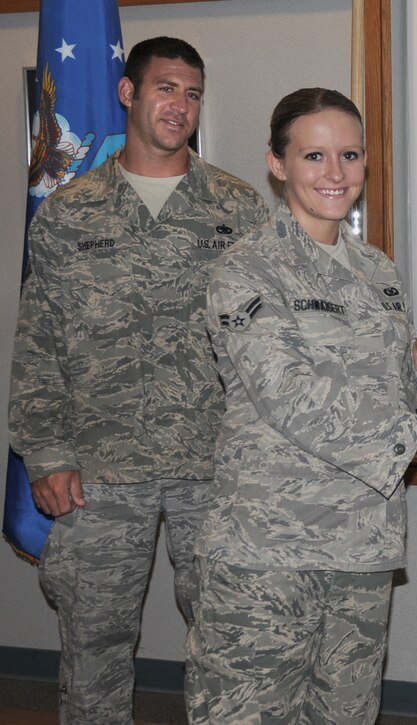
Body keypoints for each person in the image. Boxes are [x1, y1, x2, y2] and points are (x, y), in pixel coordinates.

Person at [184, 87, 417, 725]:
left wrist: (414, 365)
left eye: (350, 155)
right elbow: (291, 395)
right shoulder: (248, 269)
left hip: (361, 544)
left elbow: (374, 396)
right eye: (314, 156)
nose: (336, 174)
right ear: (277, 164)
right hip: (269, 550)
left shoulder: (377, 271)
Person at [7, 37, 269, 723]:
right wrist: (47, 454)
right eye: (165, 88)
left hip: (214, 467)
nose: (179, 105)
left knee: (230, 644)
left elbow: (270, 344)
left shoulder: (240, 210)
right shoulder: (69, 213)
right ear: (128, 93)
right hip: (98, 468)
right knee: (93, 649)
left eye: (191, 93)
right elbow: (38, 345)